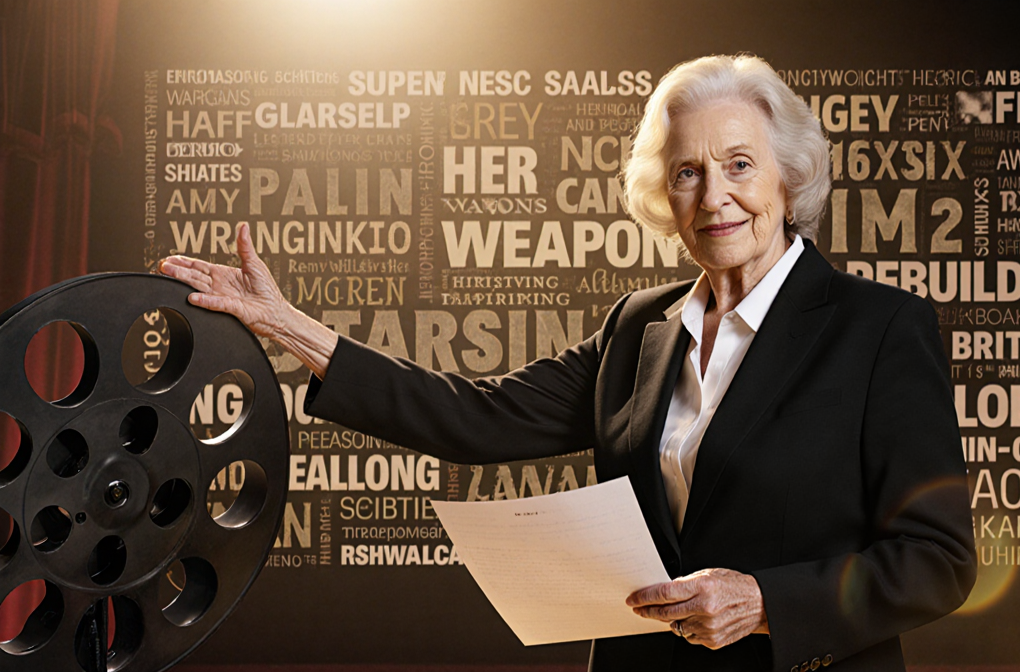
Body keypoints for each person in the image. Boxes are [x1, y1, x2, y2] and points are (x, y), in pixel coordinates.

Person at [161, 54, 975, 672]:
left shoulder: (879, 329)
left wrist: (764, 603)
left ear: (788, 178)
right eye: (687, 172)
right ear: (665, 198)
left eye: (738, 165)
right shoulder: (639, 327)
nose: (714, 196)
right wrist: (291, 327)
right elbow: (475, 415)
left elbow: (938, 563)